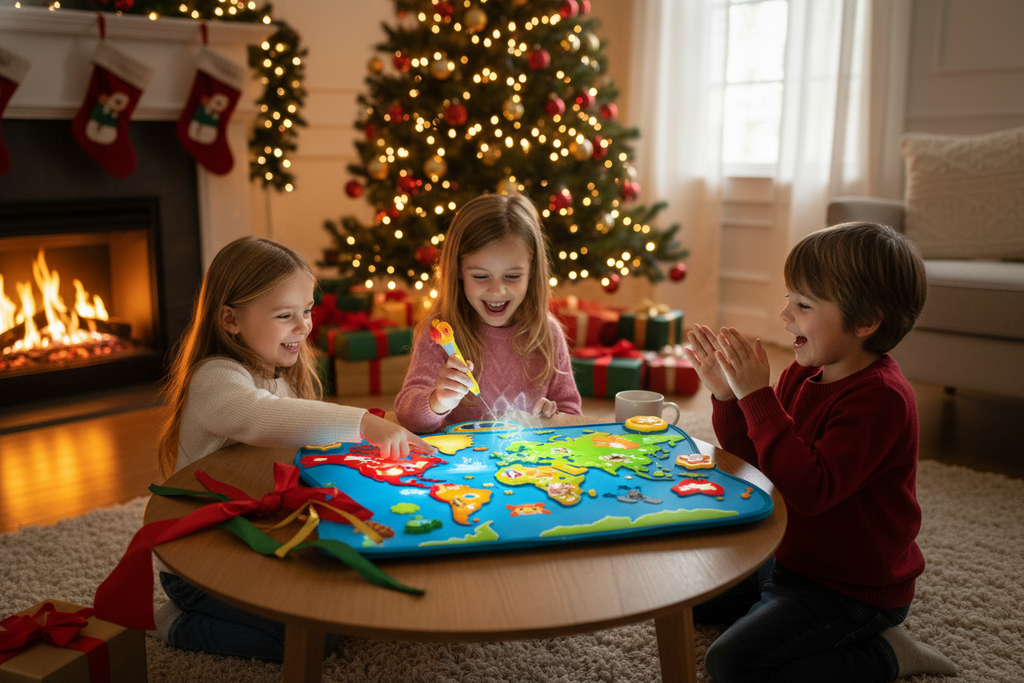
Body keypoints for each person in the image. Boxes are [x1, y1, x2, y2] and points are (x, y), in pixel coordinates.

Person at [683, 222, 956, 682]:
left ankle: (885, 655)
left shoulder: (881, 400)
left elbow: (808, 490)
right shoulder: (801, 373)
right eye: (790, 297)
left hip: (850, 589)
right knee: (685, 602)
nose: (785, 313)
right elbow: (759, 466)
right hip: (790, 558)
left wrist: (757, 399)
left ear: (866, 321)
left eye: (804, 304)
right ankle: (773, 607)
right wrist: (729, 398)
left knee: (729, 664)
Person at [151, 236, 433, 663]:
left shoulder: (278, 372)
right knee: (312, 640)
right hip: (199, 568)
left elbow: (302, 428)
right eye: (285, 316)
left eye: (307, 311)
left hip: (253, 539)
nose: (304, 327)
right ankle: (173, 622)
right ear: (230, 320)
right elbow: (261, 416)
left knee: (343, 599)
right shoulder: (215, 378)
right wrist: (360, 421)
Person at [395, 192, 582, 433]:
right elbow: (407, 416)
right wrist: (437, 401)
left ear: (532, 271)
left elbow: (573, 416)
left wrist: (553, 417)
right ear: (459, 271)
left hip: (528, 467)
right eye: (481, 276)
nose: (497, 290)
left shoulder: (547, 334)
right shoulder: (440, 335)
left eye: (512, 276)